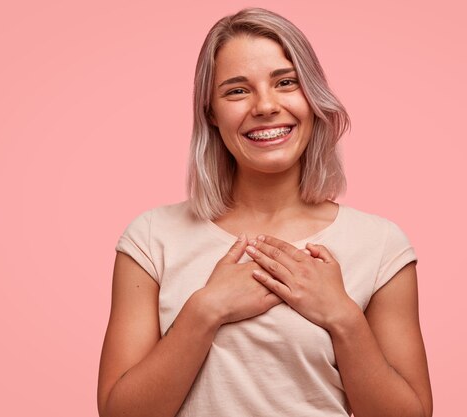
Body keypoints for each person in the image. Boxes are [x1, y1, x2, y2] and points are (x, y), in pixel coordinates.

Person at [97, 7, 432, 417]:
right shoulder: (151, 239)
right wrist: (206, 310)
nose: (265, 105)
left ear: (312, 96)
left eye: (286, 83)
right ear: (211, 114)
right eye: (237, 91)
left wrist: (342, 317)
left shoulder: (381, 245)